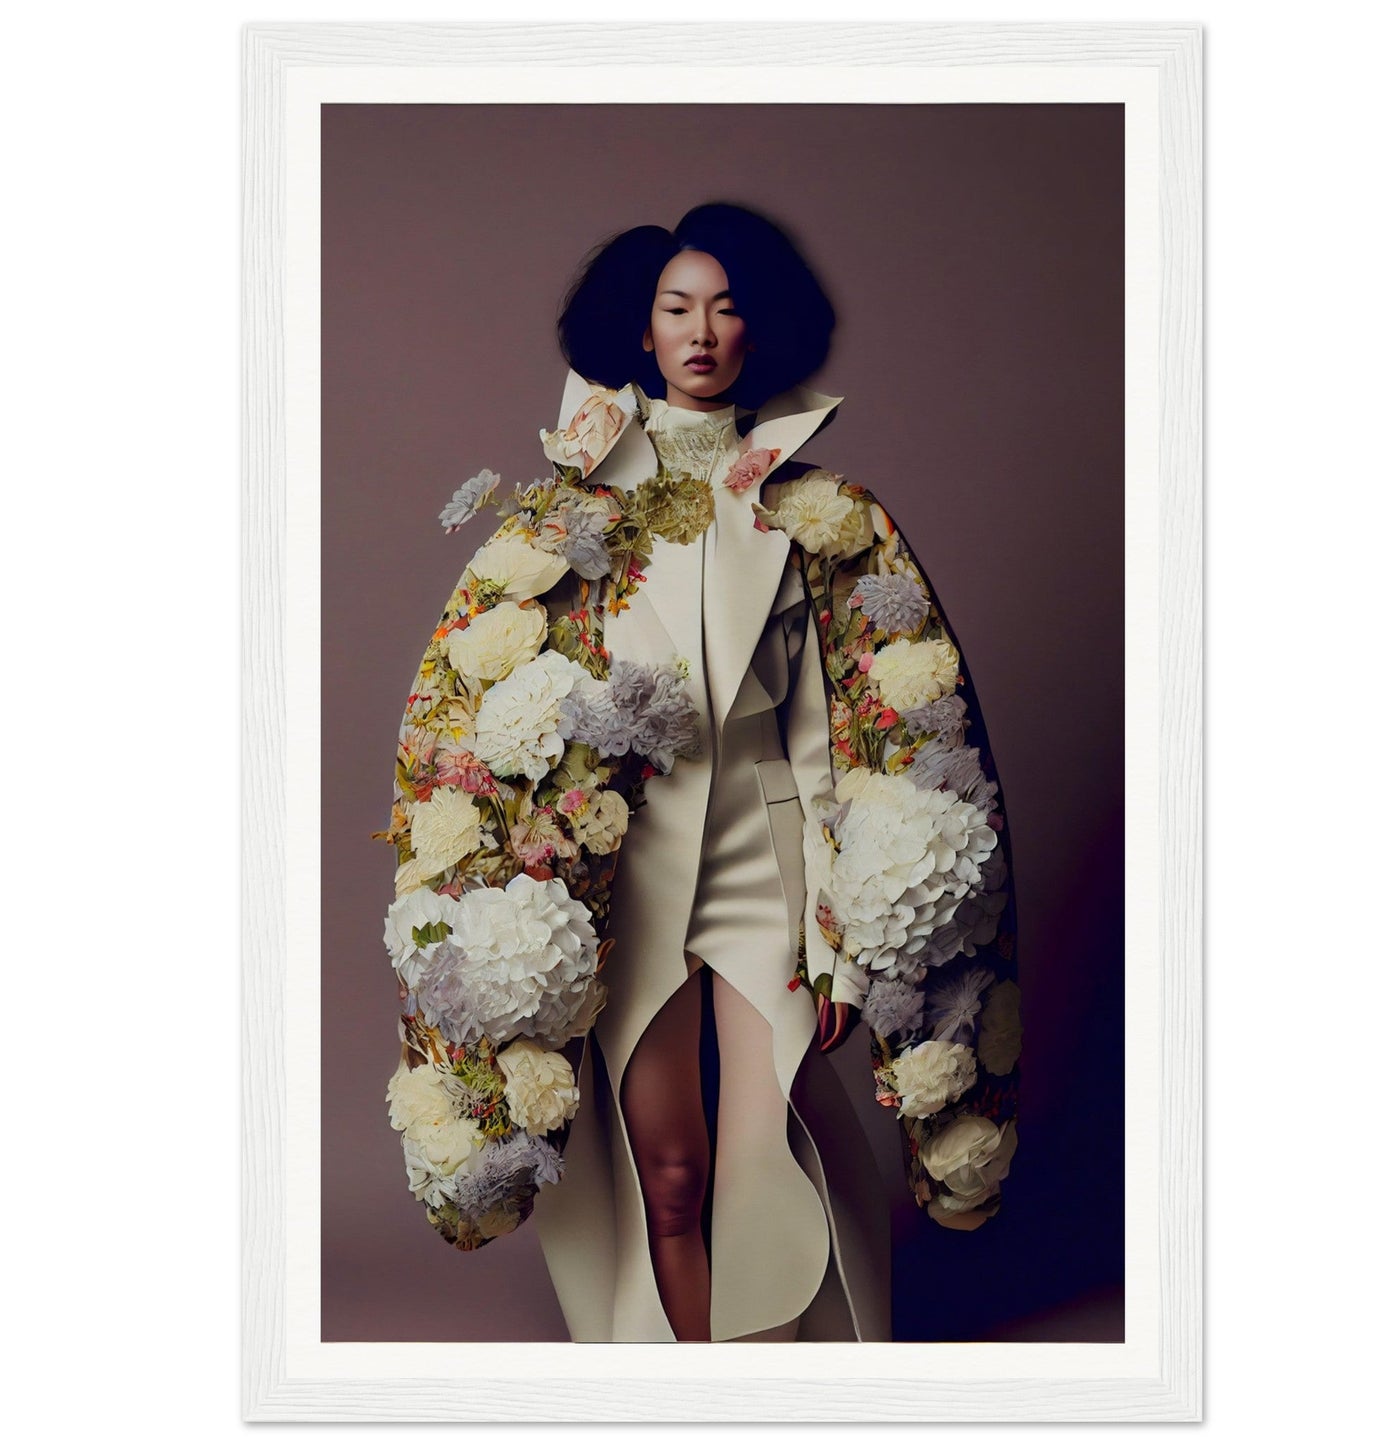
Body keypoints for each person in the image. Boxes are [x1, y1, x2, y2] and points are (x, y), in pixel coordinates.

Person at [383, 203, 1019, 1345]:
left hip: (766, 862)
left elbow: (834, 731)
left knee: (767, 1133)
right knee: (664, 1164)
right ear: (639, 332)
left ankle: (786, 1378)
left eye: (725, 307)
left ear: (756, 329)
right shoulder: (574, 514)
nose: (701, 330)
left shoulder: (817, 509)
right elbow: (502, 706)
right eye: (676, 307)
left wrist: (837, 931)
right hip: (630, 866)